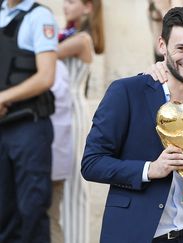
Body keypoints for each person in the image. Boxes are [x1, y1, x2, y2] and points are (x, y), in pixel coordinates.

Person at [81, 6, 183, 243]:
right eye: (181, 48)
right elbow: (92, 163)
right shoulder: (126, 92)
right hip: (137, 234)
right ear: (162, 46)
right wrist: (149, 169)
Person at [0, 0, 58, 242]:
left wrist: (3, 97)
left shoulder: (40, 16)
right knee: (3, 214)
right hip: (3, 130)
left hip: (28, 127)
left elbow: (46, 76)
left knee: (31, 211)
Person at [48, 0, 105, 242]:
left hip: (72, 112)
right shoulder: (69, 35)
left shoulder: (82, 39)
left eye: (71, 1)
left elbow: (46, 52)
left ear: (88, 7)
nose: (65, 6)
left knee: (74, 185)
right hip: (57, 111)